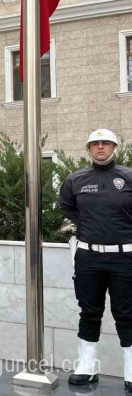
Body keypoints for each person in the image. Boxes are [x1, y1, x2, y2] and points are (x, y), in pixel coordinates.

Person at [60, 129, 132, 391]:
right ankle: (87, 367)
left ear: (114, 147)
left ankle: (131, 372)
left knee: (127, 314)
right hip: (88, 257)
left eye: (106, 143)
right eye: (95, 144)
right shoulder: (76, 179)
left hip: (125, 257)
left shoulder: (128, 177)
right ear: (89, 149)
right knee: (89, 312)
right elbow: (67, 206)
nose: (100, 147)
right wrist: (87, 225)